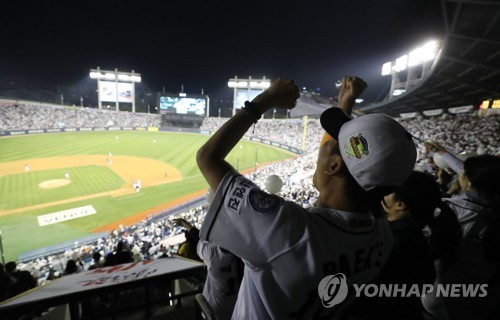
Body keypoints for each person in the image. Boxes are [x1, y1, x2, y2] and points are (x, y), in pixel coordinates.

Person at [195, 76, 417, 319]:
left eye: (328, 145)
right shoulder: (382, 236)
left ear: (333, 166)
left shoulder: (286, 230)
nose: (321, 147)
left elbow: (208, 157)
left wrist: (263, 101)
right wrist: (346, 103)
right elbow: (353, 165)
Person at [352, 170, 462, 320]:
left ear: (400, 205)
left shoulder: (391, 241)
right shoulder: (422, 234)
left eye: (388, 192)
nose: (383, 195)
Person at [420, 146, 500, 320]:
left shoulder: (449, 210)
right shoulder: (492, 209)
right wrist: (442, 153)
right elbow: (475, 174)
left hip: (443, 305)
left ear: (469, 181)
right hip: (483, 305)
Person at [174, 217, 243, 319]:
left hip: (213, 313)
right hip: (236, 311)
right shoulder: (242, 255)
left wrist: (185, 224)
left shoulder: (213, 254)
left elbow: (197, 240)